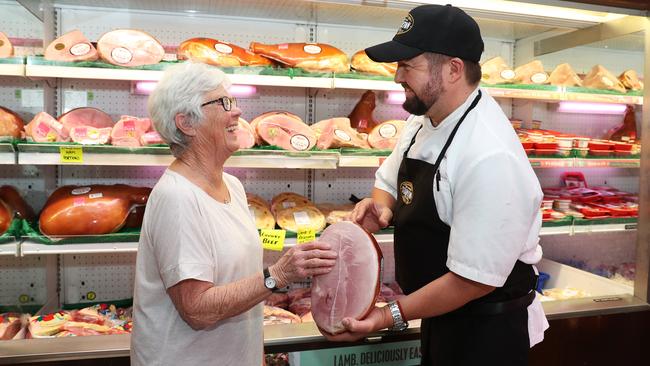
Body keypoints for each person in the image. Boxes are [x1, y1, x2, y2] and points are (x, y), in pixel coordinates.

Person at [327, 4, 549, 365]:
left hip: (486, 334)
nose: (397, 77)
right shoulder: (426, 116)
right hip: (439, 314)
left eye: (407, 65)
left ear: (453, 69)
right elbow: (387, 180)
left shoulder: (489, 154)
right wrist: (382, 207)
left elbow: (473, 281)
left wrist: (387, 316)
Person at [131, 61, 337, 365]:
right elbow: (197, 309)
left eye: (233, 101)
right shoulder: (178, 197)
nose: (237, 112)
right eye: (223, 103)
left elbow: (237, 282)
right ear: (187, 123)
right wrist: (277, 275)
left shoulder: (233, 185)